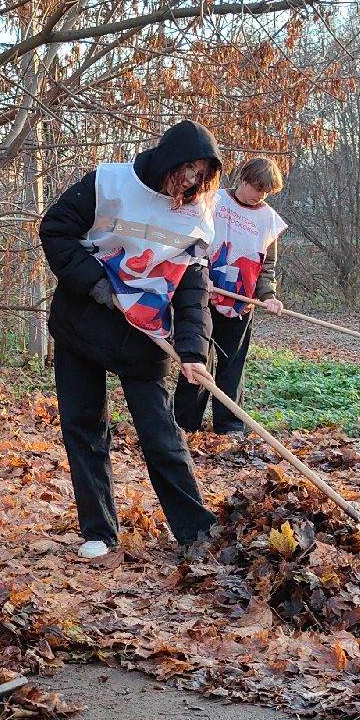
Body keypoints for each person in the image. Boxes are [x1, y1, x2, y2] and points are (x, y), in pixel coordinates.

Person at [39, 120, 223, 561]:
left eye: (201, 174)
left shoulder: (198, 213)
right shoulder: (109, 183)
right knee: (84, 427)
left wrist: (193, 350)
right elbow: (55, 229)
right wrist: (96, 285)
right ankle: (99, 531)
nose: (191, 181)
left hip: (146, 332)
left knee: (161, 434)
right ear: (168, 159)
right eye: (187, 169)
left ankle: (196, 532)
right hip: (84, 320)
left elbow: (192, 286)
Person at [176, 157, 289, 436]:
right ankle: (185, 423)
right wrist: (198, 278)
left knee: (232, 365)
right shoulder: (212, 201)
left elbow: (266, 265)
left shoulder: (269, 220)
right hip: (203, 299)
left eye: (266, 192)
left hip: (241, 305)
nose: (261, 196)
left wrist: (269, 295)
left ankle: (229, 425)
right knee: (197, 360)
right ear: (244, 179)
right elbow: (192, 243)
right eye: (258, 188)